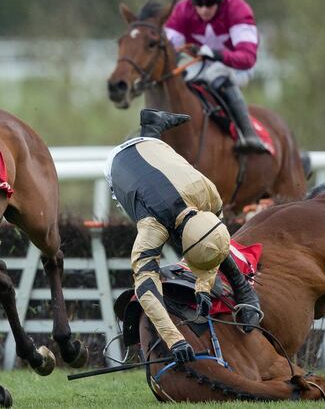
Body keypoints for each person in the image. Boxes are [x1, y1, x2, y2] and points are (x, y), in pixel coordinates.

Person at [104, 108, 263, 363]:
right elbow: (145, 286)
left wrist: (203, 285)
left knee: (205, 237)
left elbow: (215, 238)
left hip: (154, 148)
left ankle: (152, 125)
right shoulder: (151, 227)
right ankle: (242, 288)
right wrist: (174, 338)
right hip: (117, 166)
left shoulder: (210, 193)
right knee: (180, 240)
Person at [163, 0, 269, 154]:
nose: (204, 9)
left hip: (237, 66)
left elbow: (248, 58)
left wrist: (217, 54)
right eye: (198, 3)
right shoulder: (181, 11)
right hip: (200, 63)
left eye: (210, 3)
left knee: (217, 76)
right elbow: (167, 51)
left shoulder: (237, 8)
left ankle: (249, 134)